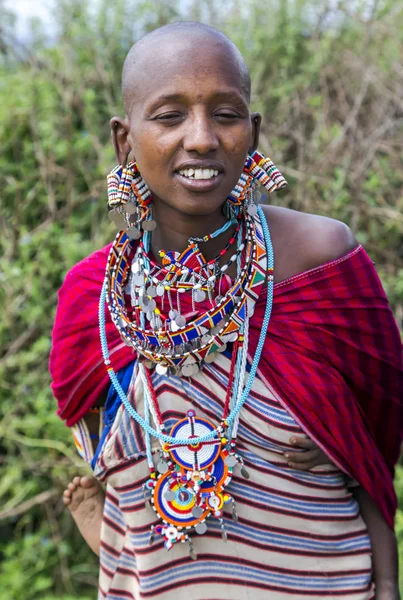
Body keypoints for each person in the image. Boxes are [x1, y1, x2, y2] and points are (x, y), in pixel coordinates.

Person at [50, 22, 403, 600]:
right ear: (124, 140)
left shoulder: (318, 261)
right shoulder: (93, 298)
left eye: (226, 113)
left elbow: (373, 442)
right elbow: (102, 441)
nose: (202, 138)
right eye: (168, 116)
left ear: (253, 130)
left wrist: (387, 583)